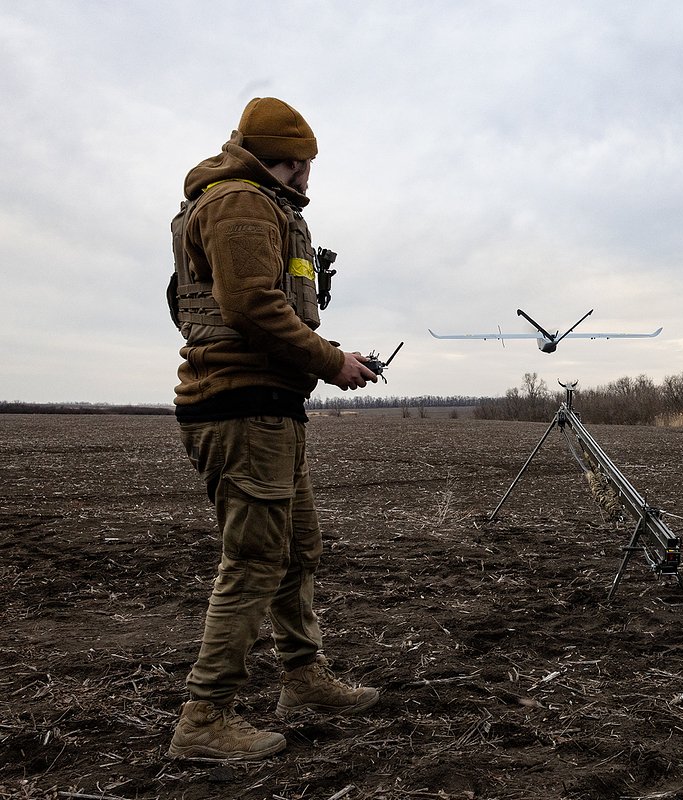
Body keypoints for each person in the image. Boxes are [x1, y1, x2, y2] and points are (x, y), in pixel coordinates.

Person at [166, 97, 381, 760]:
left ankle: (303, 677)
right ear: (284, 159)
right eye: (303, 162)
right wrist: (330, 362)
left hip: (269, 405)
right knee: (256, 559)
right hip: (241, 408)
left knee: (297, 548)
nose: (309, 175)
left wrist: (329, 354)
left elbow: (248, 308)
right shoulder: (240, 202)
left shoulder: (256, 204)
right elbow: (251, 306)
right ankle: (204, 718)